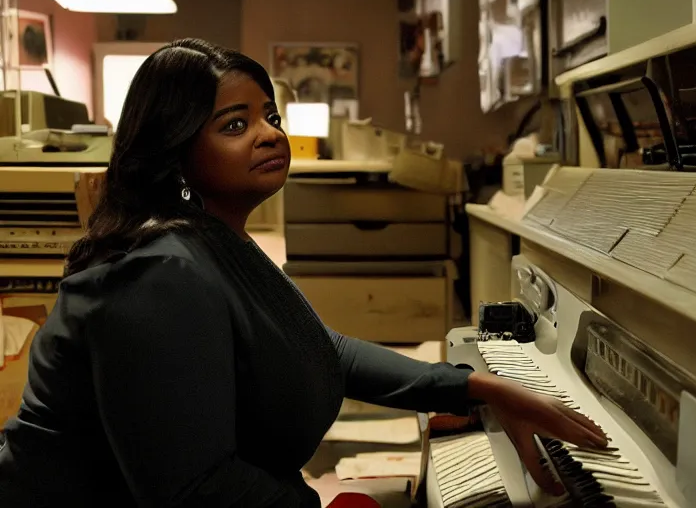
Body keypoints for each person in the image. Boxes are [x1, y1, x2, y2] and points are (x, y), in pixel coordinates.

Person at [0, 39, 607, 507]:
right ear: (175, 152)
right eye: (235, 125)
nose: (270, 134)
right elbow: (195, 492)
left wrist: (474, 386)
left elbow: (315, 351)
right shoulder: (158, 274)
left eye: (269, 116)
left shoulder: (214, 243)